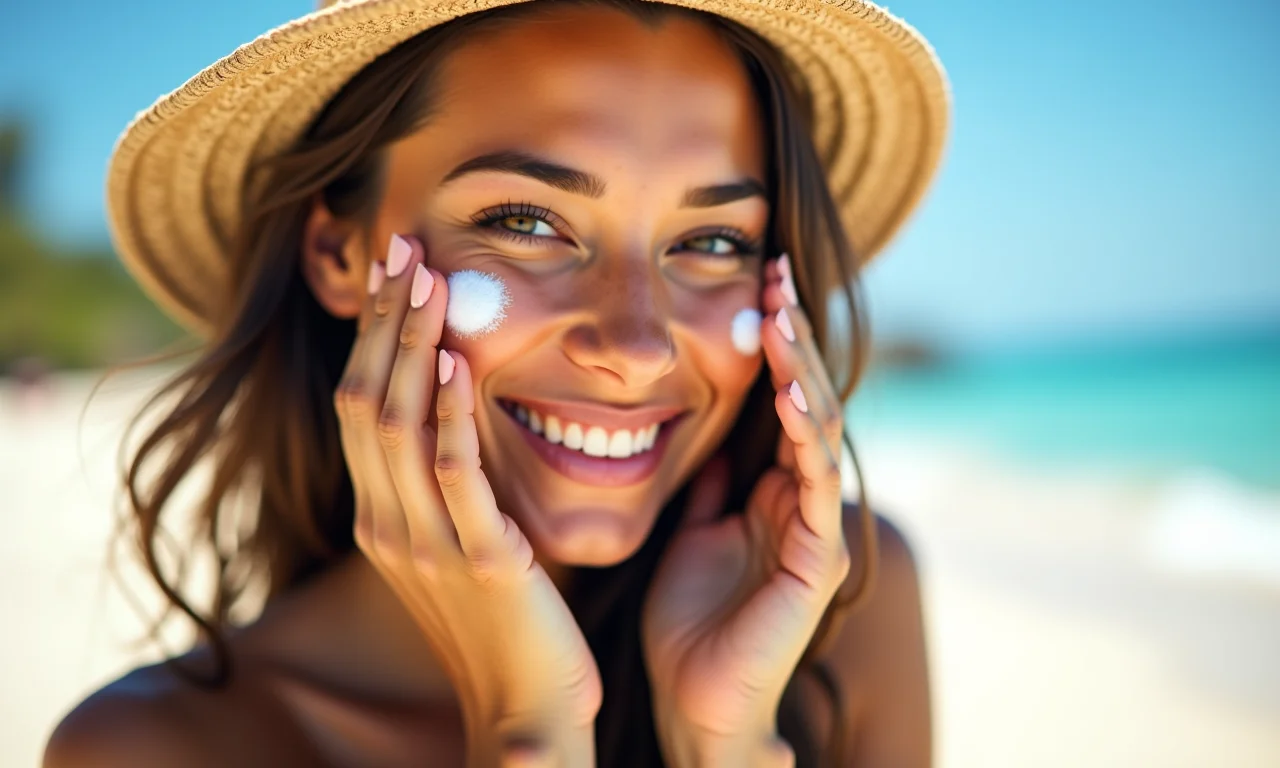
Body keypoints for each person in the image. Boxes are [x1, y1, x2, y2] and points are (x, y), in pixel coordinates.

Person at [44, 0, 950, 764]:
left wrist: (731, 744)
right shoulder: (156, 747)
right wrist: (529, 736)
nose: (636, 345)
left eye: (713, 243)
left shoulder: (847, 616)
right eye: (525, 222)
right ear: (338, 254)